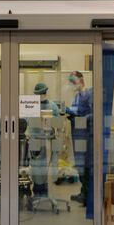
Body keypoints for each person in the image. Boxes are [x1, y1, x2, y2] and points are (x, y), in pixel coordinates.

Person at [65, 71, 93, 207]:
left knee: (85, 164)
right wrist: (68, 112)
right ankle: (83, 191)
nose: (71, 84)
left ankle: (87, 194)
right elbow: (76, 110)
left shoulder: (88, 95)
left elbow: (94, 114)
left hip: (85, 136)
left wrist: (80, 118)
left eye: (73, 81)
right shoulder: (77, 97)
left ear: (81, 81)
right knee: (80, 163)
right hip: (77, 134)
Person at [29, 82, 59, 197]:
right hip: (41, 142)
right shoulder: (52, 106)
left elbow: (58, 124)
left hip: (43, 142)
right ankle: (40, 190)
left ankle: (40, 190)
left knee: (40, 167)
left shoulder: (51, 106)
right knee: (40, 167)